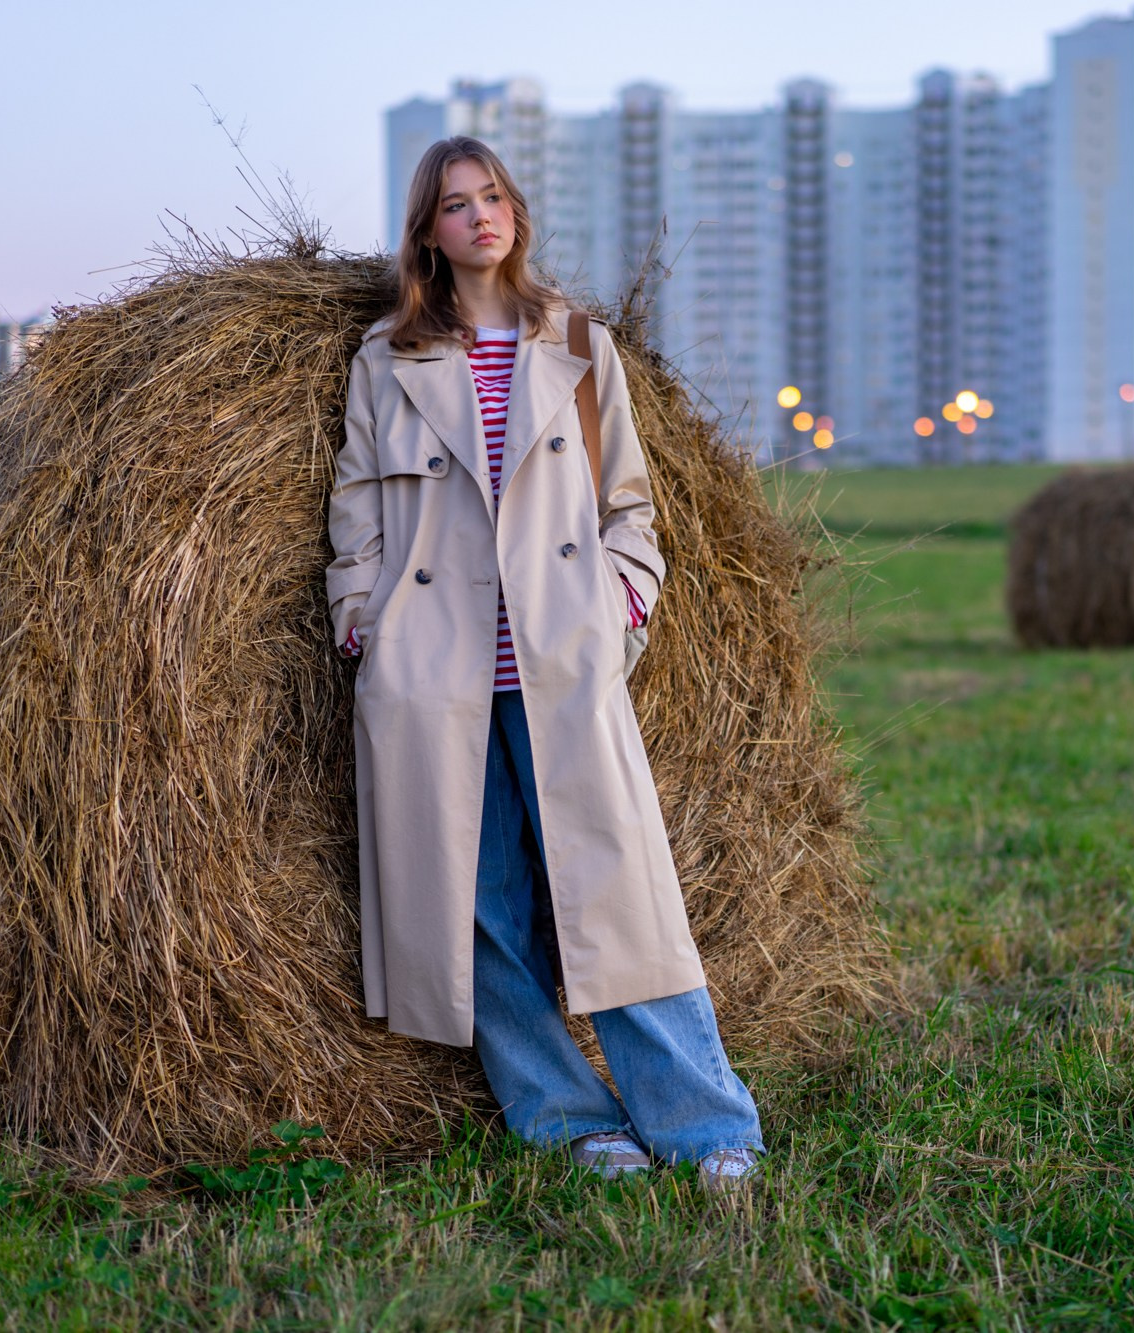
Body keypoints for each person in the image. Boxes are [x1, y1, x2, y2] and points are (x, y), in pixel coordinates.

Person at [325, 135, 763, 1191]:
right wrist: (363, 622)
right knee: (480, 905)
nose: (480, 215)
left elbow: (631, 506)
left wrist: (619, 605)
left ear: (515, 211)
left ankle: (706, 1127)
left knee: (621, 893)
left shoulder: (575, 343)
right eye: (454, 203)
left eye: (492, 196)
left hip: (561, 655)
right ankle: (567, 1119)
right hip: (438, 668)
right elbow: (356, 515)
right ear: (426, 231)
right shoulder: (386, 359)